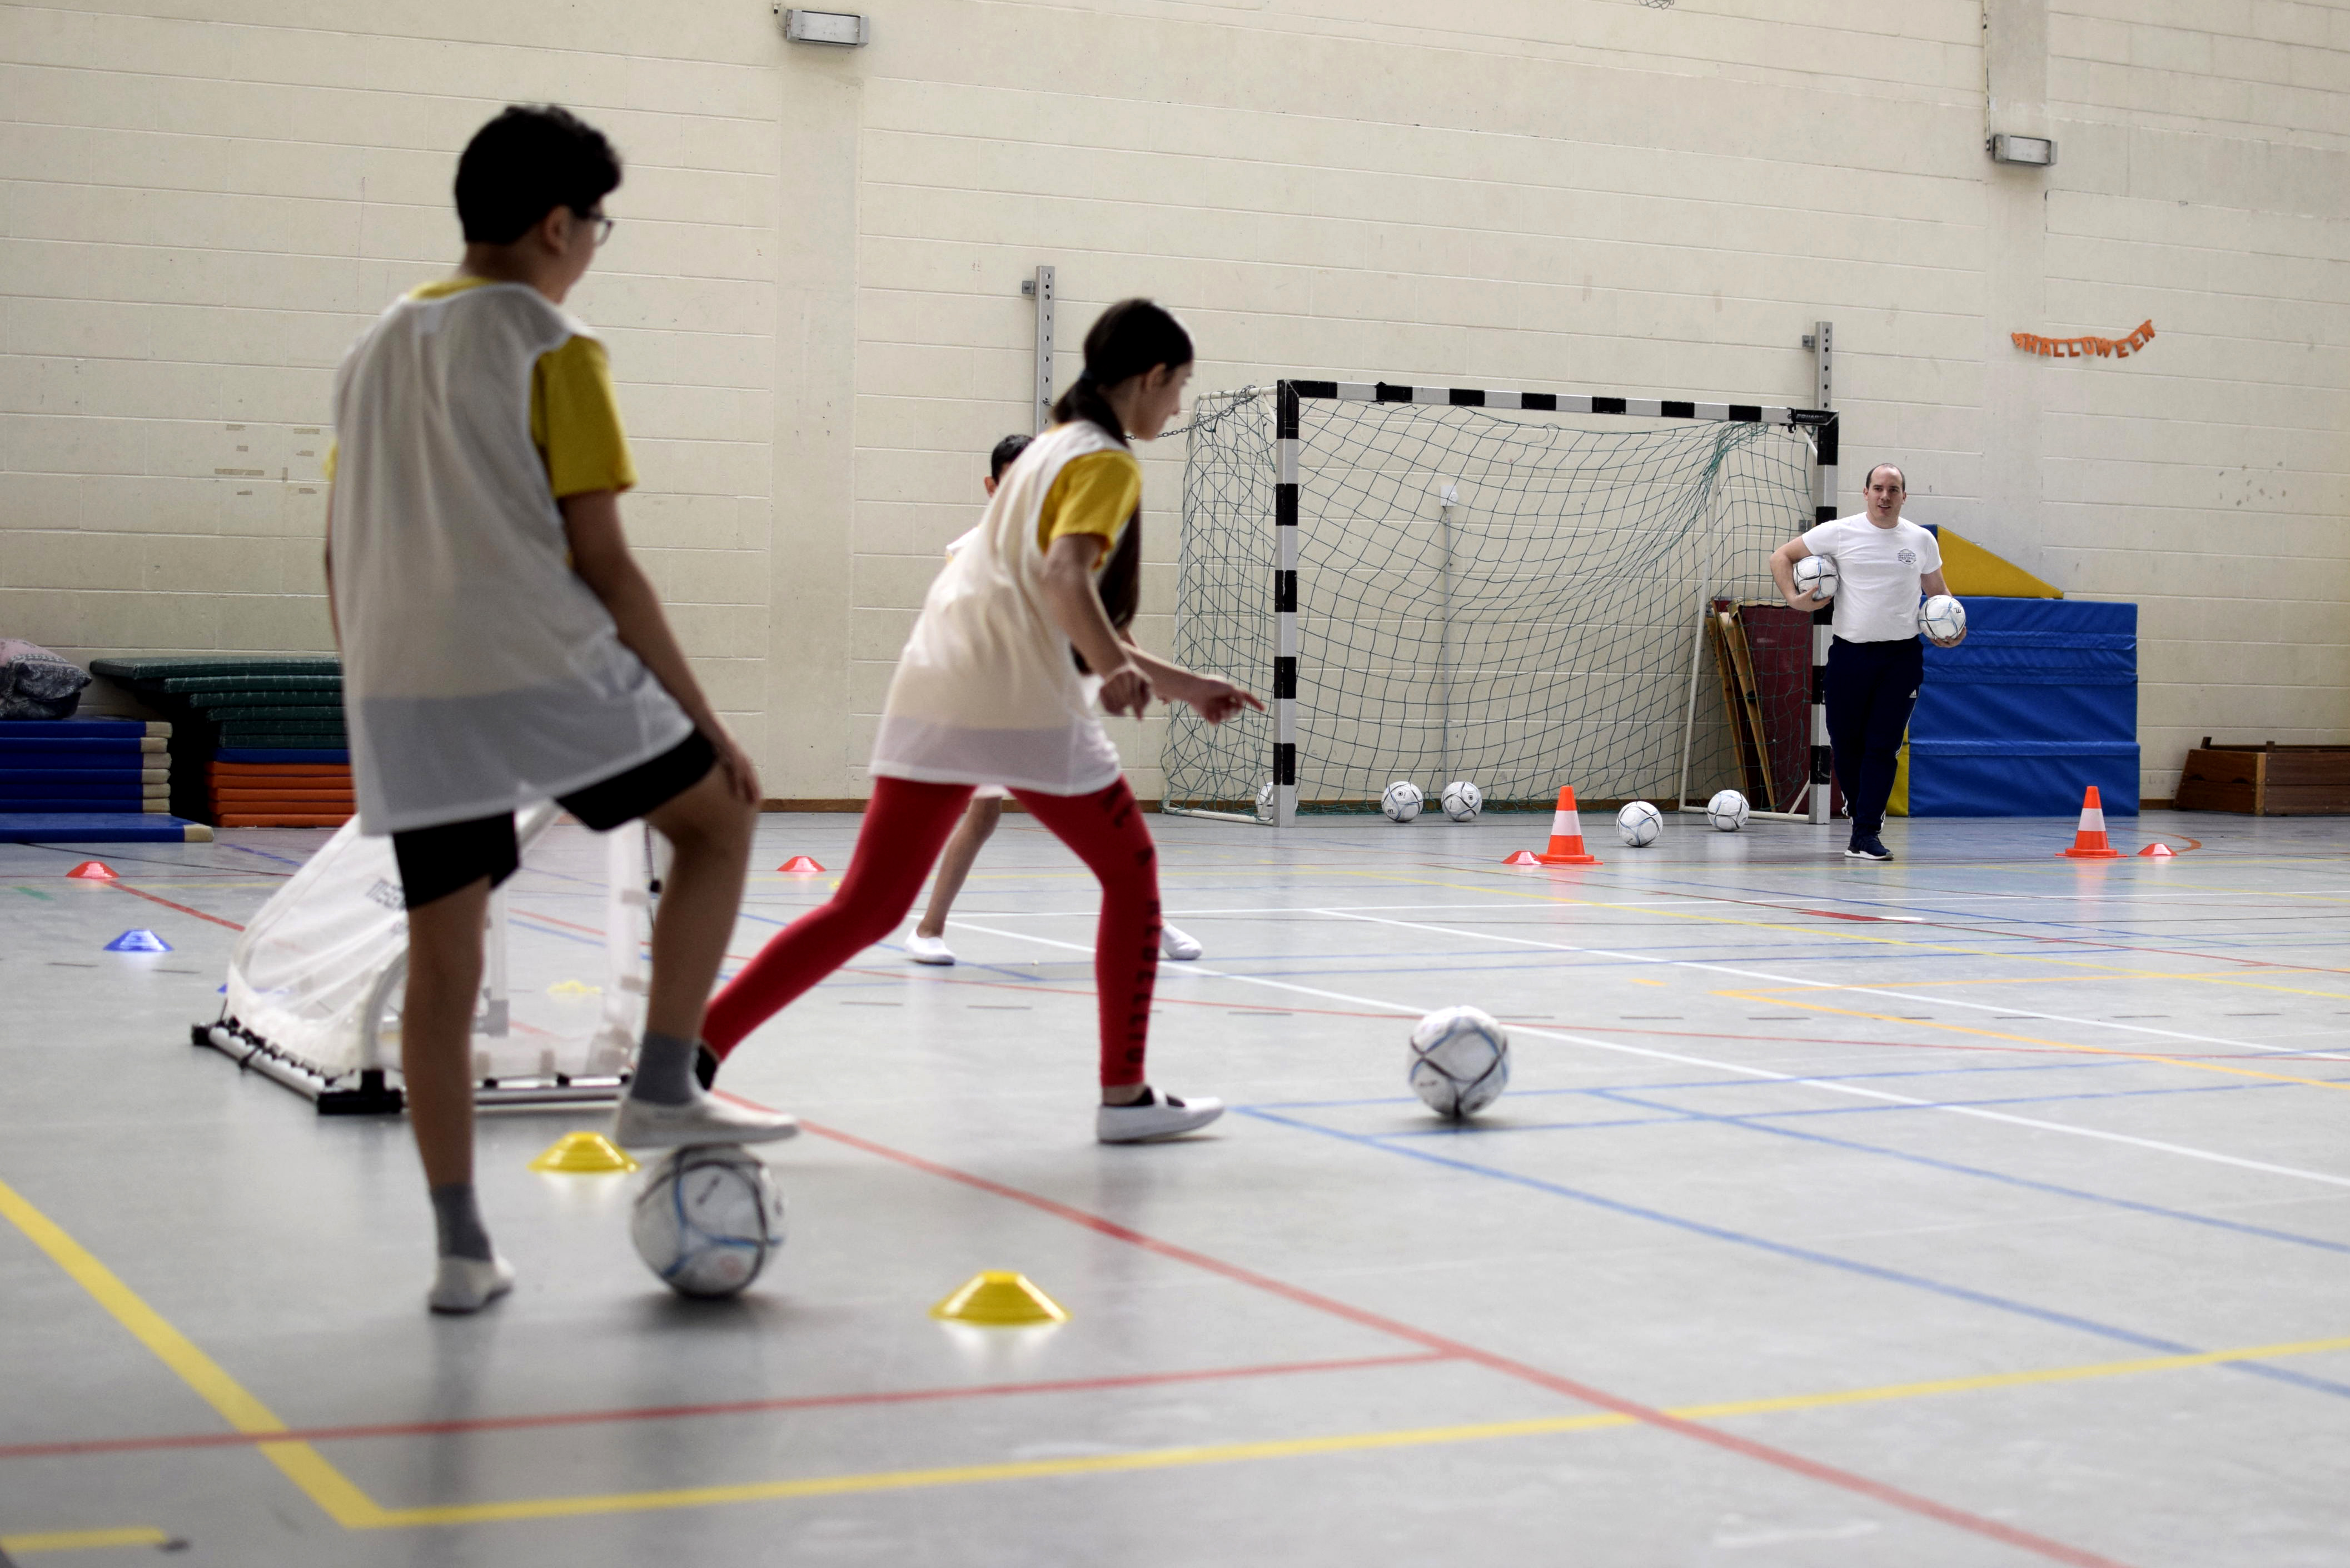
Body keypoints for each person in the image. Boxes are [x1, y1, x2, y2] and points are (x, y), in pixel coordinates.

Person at [324, 105, 794, 1315]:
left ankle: (458, 1252)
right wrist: (709, 722)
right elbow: (606, 560)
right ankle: (658, 1078)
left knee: (443, 964)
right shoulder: (551, 341)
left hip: (401, 686)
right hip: (536, 666)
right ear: (555, 225)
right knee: (717, 820)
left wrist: (370, 690)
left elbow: (339, 550)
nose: (596, 245)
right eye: (598, 224)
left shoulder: (372, 347)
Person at [699, 299, 1259, 1142]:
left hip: (934, 680)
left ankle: (683, 1060)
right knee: (1133, 874)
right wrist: (1114, 674)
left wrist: (1182, 684)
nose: (1177, 407)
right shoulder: (1106, 461)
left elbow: (1040, 593)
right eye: (1178, 388)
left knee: (865, 906)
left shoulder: (1048, 449)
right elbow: (1069, 583)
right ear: (1150, 379)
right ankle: (1124, 1095)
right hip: (1019, 701)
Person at [905, 433, 1204, 968]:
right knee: (982, 815)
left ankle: (1148, 920)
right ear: (993, 486)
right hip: (985, 706)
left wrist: (1144, 671)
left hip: (1048, 707)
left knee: (1108, 818)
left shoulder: (1066, 545)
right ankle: (927, 929)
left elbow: (1106, 624)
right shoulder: (970, 548)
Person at [1770, 462, 1964, 864]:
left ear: (1904, 496)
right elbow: (1781, 557)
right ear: (1866, 493)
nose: (1885, 496)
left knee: (1883, 746)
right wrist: (1793, 598)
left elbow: (1940, 594)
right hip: (1850, 655)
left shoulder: (1920, 540)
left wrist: (1953, 630)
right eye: (1878, 488)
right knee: (1846, 746)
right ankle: (1859, 816)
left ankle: (1866, 833)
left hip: (1901, 658)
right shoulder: (1840, 532)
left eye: (1894, 489)